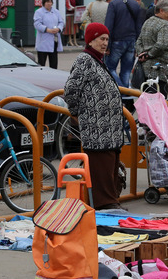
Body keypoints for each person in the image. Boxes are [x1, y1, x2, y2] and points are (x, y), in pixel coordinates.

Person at [64, 23, 125, 210]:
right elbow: (71, 90)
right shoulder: (85, 60)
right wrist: (75, 112)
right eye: (101, 39)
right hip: (98, 128)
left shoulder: (97, 60)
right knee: (102, 167)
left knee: (110, 167)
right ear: (91, 40)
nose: (105, 43)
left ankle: (111, 202)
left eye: (107, 39)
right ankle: (105, 204)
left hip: (110, 129)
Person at [136, 0, 168, 88]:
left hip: (148, 70)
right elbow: (161, 45)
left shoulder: (148, 21)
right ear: (161, 11)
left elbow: (138, 41)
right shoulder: (164, 24)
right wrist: (148, 55)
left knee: (150, 96)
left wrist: (141, 54)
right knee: (159, 98)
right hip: (160, 72)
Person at [104, 0, 144, 87]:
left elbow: (108, 25)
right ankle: (125, 94)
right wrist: (137, 45)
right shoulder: (135, 4)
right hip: (131, 41)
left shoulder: (113, 4)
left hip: (117, 41)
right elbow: (139, 26)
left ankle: (121, 90)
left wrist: (107, 45)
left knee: (109, 68)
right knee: (126, 71)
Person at [34, 0, 65, 69]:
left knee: (54, 63)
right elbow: (37, 24)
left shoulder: (56, 12)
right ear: (44, 3)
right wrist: (47, 30)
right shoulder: (39, 12)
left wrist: (59, 28)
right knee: (41, 63)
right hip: (43, 41)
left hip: (54, 40)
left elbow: (61, 22)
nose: (49, 4)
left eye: (50, 2)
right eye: (47, 2)